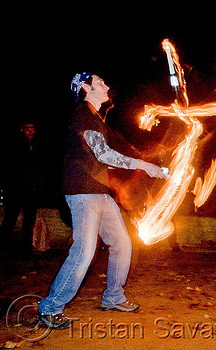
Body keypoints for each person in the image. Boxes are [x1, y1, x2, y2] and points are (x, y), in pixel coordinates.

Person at [37, 72, 168, 330]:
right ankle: (50, 307)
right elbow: (104, 154)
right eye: (100, 82)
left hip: (100, 193)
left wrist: (148, 157)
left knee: (122, 243)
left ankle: (113, 297)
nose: (107, 85)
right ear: (85, 88)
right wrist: (143, 165)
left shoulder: (97, 118)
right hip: (83, 193)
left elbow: (119, 146)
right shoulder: (83, 115)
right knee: (84, 252)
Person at [0, 122, 44, 254]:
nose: (30, 132)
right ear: (22, 130)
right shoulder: (16, 145)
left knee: (29, 218)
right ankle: (3, 244)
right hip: (16, 189)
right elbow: (12, 166)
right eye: (27, 129)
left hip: (31, 189)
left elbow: (39, 167)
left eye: (33, 129)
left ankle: (25, 246)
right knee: (10, 217)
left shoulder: (37, 146)